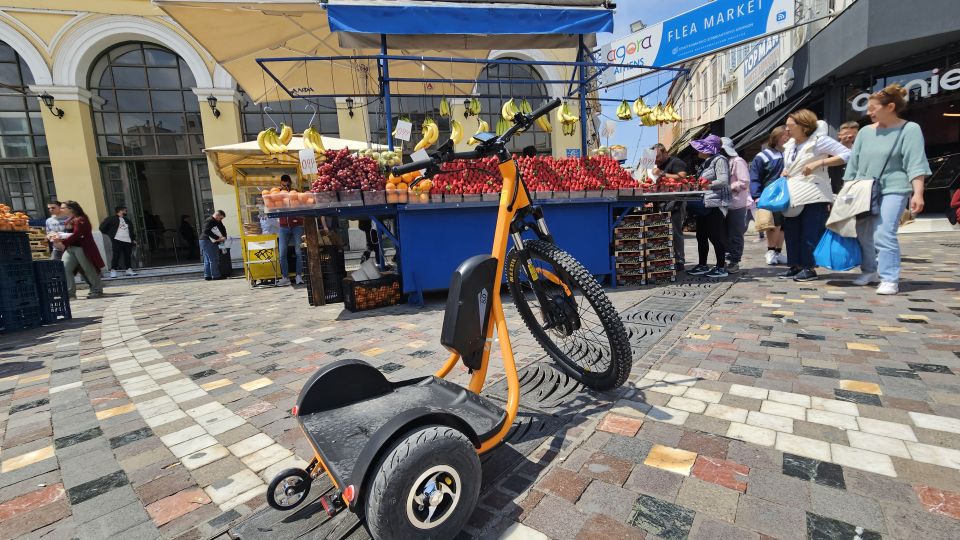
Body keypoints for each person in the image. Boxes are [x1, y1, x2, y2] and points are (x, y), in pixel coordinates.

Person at [844, 84, 931, 295]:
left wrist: (918, 193)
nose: (868, 112)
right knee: (864, 233)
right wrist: (847, 190)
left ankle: (890, 277)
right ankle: (869, 270)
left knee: (884, 232)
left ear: (890, 106)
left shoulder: (909, 129)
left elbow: (915, 163)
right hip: (864, 189)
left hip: (894, 187)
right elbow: (853, 164)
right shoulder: (865, 132)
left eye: (873, 108)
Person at [780, 109, 850, 282]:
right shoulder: (790, 145)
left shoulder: (819, 141)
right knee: (792, 230)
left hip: (814, 193)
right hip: (794, 193)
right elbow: (792, 165)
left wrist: (821, 161)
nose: (786, 131)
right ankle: (795, 265)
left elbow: (849, 154)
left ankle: (808, 267)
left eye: (790, 127)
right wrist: (785, 171)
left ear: (804, 126)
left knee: (810, 231)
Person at [686, 135, 730, 278]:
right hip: (704, 204)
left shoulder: (720, 160)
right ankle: (703, 265)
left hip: (715, 203)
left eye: (702, 148)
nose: (697, 151)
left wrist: (708, 185)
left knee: (716, 236)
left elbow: (723, 180)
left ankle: (721, 267)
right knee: (701, 236)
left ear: (708, 149)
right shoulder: (706, 162)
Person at [749, 126, 789, 265]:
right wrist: (757, 196)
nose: (788, 137)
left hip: (789, 193)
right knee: (773, 224)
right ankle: (771, 251)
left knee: (784, 225)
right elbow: (754, 176)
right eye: (785, 135)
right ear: (777, 137)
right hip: (771, 195)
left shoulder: (790, 153)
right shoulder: (763, 156)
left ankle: (778, 251)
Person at [53, 201, 104, 299]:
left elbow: (77, 234)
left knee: (88, 269)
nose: (61, 209)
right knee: (65, 268)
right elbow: (71, 234)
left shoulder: (81, 219)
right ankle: (70, 293)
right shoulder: (70, 220)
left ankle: (96, 290)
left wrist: (63, 242)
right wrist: (59, 236)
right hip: (70, 248)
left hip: (82, 248)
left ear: (71, 209)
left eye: (63, 208)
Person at [650, 143, 688, 271]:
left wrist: (662, 174)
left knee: (676, 232)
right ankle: (667, 259)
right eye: (654, 158)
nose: (657, 160)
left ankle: (679, 261)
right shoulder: (658, 165)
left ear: (666, 153)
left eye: (658, 156)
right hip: (662, 203)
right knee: (664, 232)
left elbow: (683, 177)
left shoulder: (676, 162)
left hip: (675, 203)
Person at [721, 137, 750, 273]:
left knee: (735, 234)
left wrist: (729, 187)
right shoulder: (725, 162)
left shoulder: (737, 162)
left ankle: (734, 260)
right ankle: (728, 259)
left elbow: (744, 182)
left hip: (737, 203)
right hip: (726, 203)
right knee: (726, 233)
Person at [277, 174, 304, 286]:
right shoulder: (277, 194)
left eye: (288, 183)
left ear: (290, 183)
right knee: (282, 253)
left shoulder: (295, 192)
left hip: (297, 225)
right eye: (284, 184)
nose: (286, 186)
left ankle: (298, 275)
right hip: (283, 226)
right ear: (281, 183)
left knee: (299, 251)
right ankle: (285, 277)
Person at [99, 205, 138, 278]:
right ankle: (113, 271)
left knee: (127, 255)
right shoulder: (111, 219)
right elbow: (102, 227)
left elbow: (131, 231)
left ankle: (128, 270)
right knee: (116, 255)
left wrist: (133, 239)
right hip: (117, 240)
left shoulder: (127, 220)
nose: (126, 211)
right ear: (120, 210)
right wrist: (111, 234)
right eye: (125, 210)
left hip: (127, 240)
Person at [200, 210, 227, 281]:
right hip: (207, 241)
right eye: (221, 218)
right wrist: (218, 238)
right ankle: (215, 275)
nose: (221, 220)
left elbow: (222, 228)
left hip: (208, 241)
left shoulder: (217, 221)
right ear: (217, 215)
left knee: (208, 259)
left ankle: (208, 276)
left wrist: (224, 236)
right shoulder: (210, 220)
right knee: (213, 259)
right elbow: (206, 231)